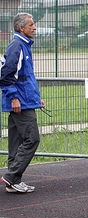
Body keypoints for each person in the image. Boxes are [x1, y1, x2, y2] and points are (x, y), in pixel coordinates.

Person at [0, 13, 45, 193]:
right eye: (31, 25)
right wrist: (14, 98)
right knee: (32, 139)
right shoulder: (17, 46)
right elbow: (6, 75)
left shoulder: (23, 46)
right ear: (22, 28)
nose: (34, 28)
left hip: (25, 101)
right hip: (20, 103)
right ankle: (11, 176)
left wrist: (35, 99)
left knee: (16, 141)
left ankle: (13, 180)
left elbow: (24, 78)